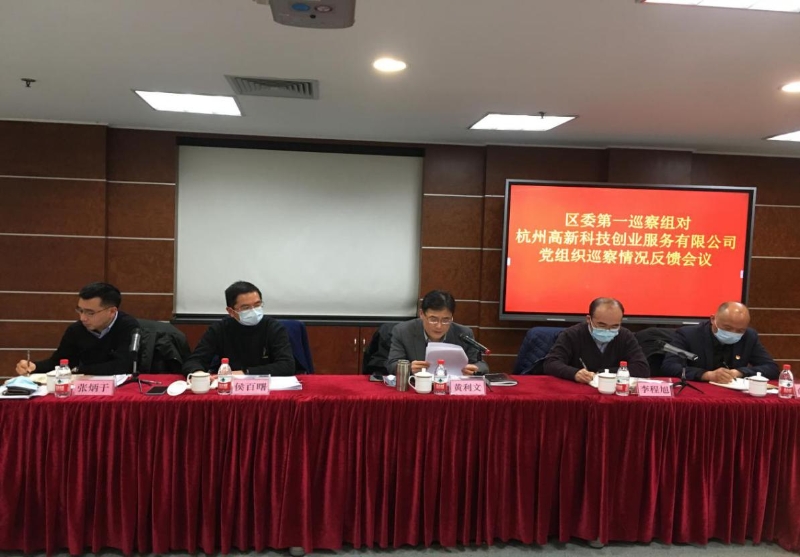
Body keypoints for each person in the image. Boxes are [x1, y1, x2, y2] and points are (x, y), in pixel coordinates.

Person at [15, 282, 139, 376]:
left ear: (111, 311)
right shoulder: (76, 330)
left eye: (90, 313)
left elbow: (124, 365)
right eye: (80, 310)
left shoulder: (128, 327)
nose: (82, 318)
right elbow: (59, 362)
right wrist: (34, 367)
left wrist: (79, 370)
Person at [182, 281, 295, 376]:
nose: (253, 311)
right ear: (231, 311)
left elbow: (287, 365)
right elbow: (194, 361)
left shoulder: (273, 328)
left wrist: (245, 373)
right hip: (230, 387)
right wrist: (198, 374)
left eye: (257, 305)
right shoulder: (219, 329)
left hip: (267, 387)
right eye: (245, 307)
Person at [661, 301, 778, 383]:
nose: (733, 333)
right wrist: (707, 375)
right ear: (713, 319)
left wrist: (739, 372)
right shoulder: (687, 335)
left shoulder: (749, 336)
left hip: (734, 396)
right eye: (727, 328)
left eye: (740, 330)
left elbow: (772, 368)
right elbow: (669, 367)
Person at [543, 297, 650, 383]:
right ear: (588, 319)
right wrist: (574, 373)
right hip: (578, 390)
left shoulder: (625, 336)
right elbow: (551, 363)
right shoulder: (572, 334)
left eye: (614, 326)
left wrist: (602, 373)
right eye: (602, 325)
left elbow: (642, 368)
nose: (608, 330)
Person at [386, 290, 489, 376]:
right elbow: (391, 364)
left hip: (451, 390)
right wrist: (408, 368)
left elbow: (482, 365)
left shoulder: (464, 333)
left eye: (446, 320)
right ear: (421, 314)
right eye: (433, 319)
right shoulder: (403, 331)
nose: (439, 326)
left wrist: (475, 369)